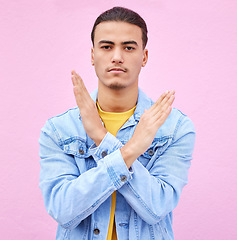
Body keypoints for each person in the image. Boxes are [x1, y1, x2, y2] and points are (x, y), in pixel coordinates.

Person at [39, 6, 195, 240]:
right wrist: (131, 150)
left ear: (144, 57)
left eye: (129, 47)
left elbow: (157, 208)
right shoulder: (59, 130)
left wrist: (101, 139)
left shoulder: (173, 128)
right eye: (106, 46)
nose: (117, 57)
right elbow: (64, 211)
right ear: (93, 55)